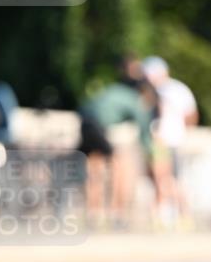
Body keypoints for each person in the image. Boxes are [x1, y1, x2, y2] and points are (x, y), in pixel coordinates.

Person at [78, 56, 157, 227]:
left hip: (86, 124)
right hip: (100, 128)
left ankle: (93, 213)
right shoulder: (135, 98)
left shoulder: (111, 90)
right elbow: (143, 130)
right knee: (119, 166)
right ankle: (117, 214)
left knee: (94, 169)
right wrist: (149, 151)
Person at [142, 56, 198, 224]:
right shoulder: (179, 89)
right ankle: (184, 216)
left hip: (163, 140)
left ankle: (160, 215)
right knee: (174, 179)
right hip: (175, 139)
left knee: (163, 179)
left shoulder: (158, 91)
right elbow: (191, 116)